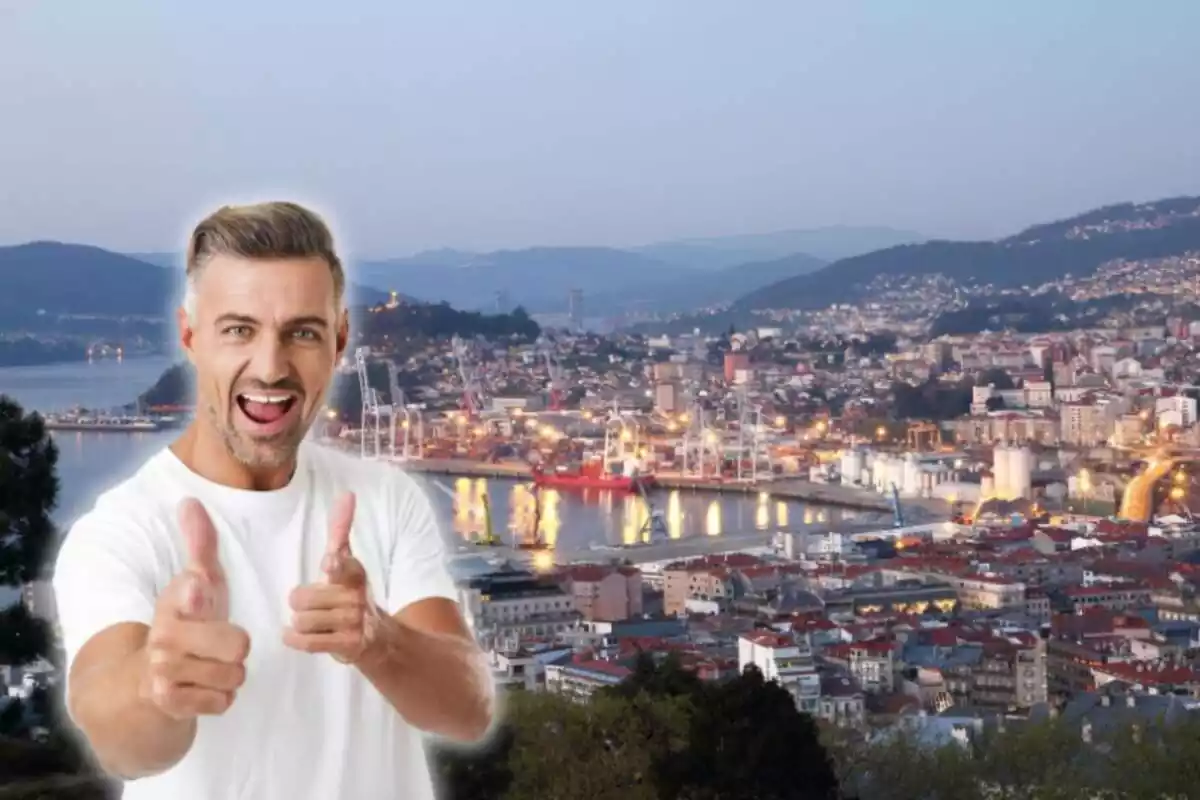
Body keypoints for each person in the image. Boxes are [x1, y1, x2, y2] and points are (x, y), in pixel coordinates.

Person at [52, 201, 495, 799]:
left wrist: (379, 640)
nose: (270, 366)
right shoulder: (118, 531)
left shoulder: (385, 499)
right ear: (190, 336)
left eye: (302, 333)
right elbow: (121, 741)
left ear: (339, 342)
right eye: (239, 329)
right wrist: (157, 684)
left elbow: (468, 711)